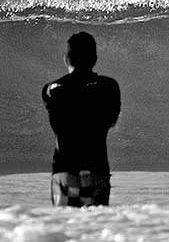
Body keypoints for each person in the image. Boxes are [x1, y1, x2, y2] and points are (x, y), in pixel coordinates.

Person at [42, 31, 121, 207]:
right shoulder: (109, 87)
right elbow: (112, 121)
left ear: (66, 59)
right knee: (95, 229)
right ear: (94, 59)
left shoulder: (50, 89)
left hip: (64, 172)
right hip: (97, 171)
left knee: (68, 228)